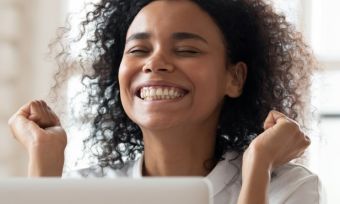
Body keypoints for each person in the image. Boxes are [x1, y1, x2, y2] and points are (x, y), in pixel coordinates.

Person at [8, 0, 324, 203]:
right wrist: (44, 170)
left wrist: (259, 166)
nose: (155, 63)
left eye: (187, 50)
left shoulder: (289, 190)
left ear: (235, 78)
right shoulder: (82, 192)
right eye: (138, 50)